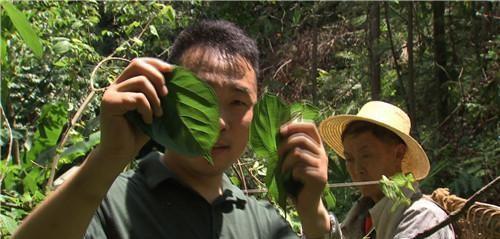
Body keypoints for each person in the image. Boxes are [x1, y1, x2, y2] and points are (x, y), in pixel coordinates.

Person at [13, 20, 334, 239]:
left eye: (237, 103)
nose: (219, 123)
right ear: (164, 98)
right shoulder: (107, 200)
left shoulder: (263, 221)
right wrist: (108, 157)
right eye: (199, 100)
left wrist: (312, 215)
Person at [319, 101, 455, 239]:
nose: (357, 169)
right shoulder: (360, 218)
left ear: (398, 153)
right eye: (349, 159)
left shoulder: (424, 217)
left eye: (366, 156)